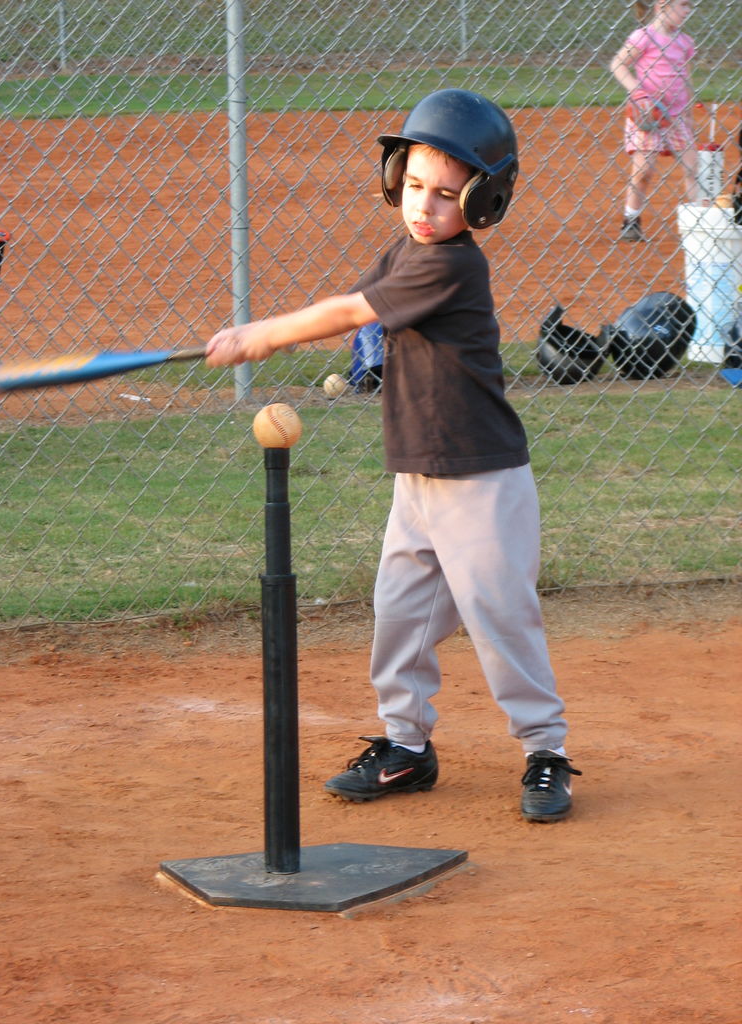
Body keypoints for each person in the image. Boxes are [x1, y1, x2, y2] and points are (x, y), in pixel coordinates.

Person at [206, 89, 580, 823]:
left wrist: (265, 334)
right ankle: (406, 747)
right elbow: (362, 304)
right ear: (393, 177)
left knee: (500, 618)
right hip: (419, 474)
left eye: (446, 195)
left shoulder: (453, 267)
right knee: (401, 613)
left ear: (481, 201)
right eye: (413, 185)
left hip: (478, 479)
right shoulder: (409, 249)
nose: (425, 207)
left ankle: (546, 752)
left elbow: (353, 311)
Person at [609, 0, 699, 242]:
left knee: (694, 167)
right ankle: (631, 220)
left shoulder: (685, 42)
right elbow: (618, 64)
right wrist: (638, 93)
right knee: (643, 172)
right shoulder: (644, 37)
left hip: (676, 115)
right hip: (648, 116)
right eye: (682, 5)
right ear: (662, 6)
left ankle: (702, 219)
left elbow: (687, 78)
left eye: (689, 6)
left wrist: (689, 113)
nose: (687, 11)